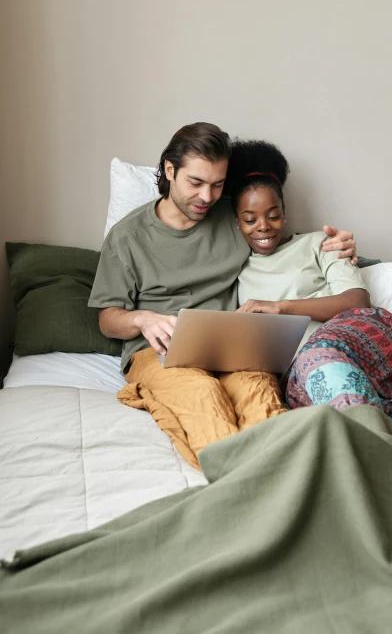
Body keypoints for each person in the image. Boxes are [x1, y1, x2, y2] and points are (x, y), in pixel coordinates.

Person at [89, 122, 357, 469]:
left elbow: (280, 242)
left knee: (259, 395)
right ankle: (240, 487)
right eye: (196, 183)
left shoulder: (233, 217)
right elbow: (107, 319)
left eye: (217, 185)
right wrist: (142, 318)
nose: (206, 197)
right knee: (203, 396)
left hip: (231, 347)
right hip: (159, 352)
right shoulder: (128, 237)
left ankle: (291, 482)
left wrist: (342, 247)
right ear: (169, 170)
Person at [228, 139, 392, 432]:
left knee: (319, 358)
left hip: (355, 334)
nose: (263, 226)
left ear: (285, 212)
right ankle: (374, 438)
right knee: (315, 372)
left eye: (273, 215)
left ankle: (373, 440)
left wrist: (281, 308)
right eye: (249, 219)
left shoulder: (320, 243)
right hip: (301, 366)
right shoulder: (238, 272)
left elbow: (357, 301)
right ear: (236, 222)